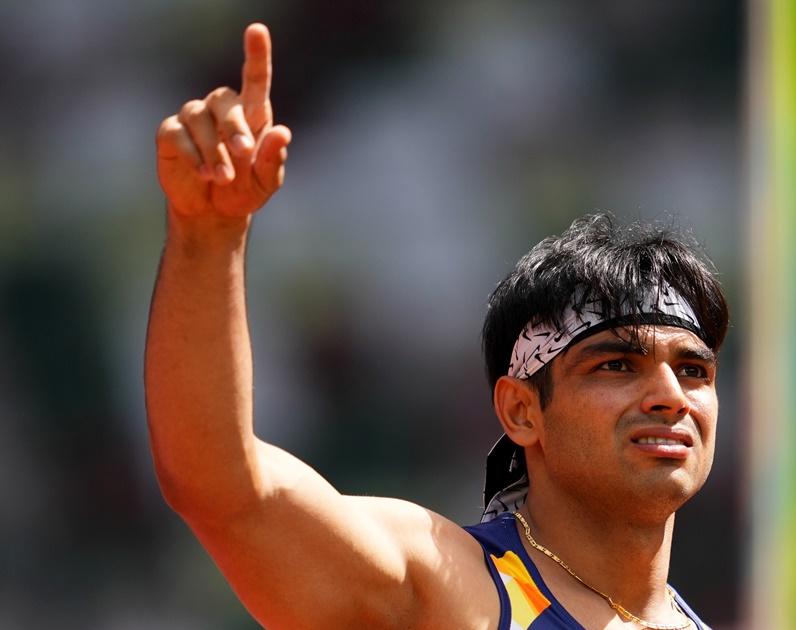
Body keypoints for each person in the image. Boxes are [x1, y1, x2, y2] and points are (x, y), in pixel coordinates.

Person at [146, 23, 729, 630]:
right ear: (522, 411)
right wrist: (208, 235)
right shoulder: (445, 587)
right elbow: (220, 482)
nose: (670, 397)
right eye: (615, 365)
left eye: (693, 370)